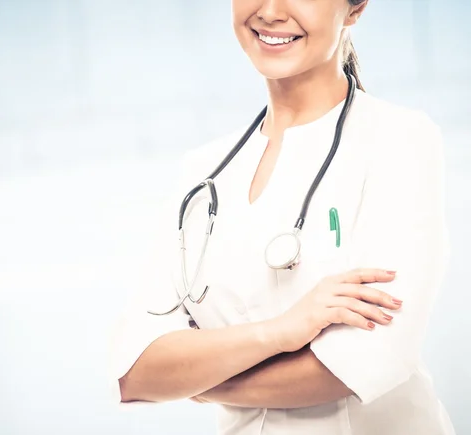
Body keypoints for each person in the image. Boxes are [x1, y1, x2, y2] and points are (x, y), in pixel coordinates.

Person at [109, 0, 455, 434]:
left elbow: (356, 368)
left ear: (356, 8)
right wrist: (281, 332)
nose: (271, 11)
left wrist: (200, 382)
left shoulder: (399, 141)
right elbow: (135, 371)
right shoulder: (202, 173)